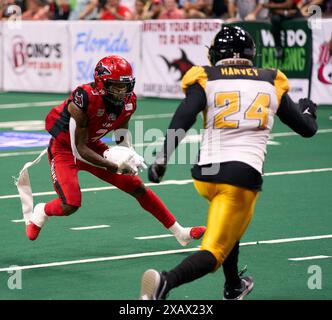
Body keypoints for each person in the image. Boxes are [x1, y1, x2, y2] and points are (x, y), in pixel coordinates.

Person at [139, 25, 318, 300]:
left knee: (227, 222)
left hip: (205, 174)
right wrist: (308, 110)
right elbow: (307, 129)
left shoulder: (206, 76)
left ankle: (234, 284)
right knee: (214, 252)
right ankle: (165, 282)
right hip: (240, 177)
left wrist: (163, 158)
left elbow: (184, 117)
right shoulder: (271, 80)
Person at [25, 55, 205, 247]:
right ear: (101, 83)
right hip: (65, 149)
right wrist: (113, 166)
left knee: (137, 187)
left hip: (91, 145)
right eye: (116, 86)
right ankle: (41, 211)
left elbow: (121, 133)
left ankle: (180, 233)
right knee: (70, 204)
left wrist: (129, 154)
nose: (122, 91)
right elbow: (78, 149)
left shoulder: (128, 102)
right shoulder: (84, 98)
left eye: (125, 86)